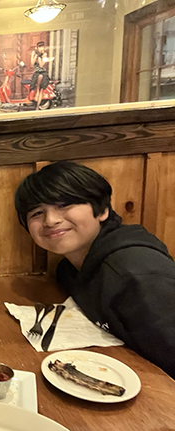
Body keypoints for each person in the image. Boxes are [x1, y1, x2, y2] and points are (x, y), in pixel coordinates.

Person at [14, 160, 175, 378]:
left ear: (102, 210)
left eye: (64, 205)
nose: (50, 220)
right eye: (37, 213)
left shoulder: (135, 274)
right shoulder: (70, 270)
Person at [31, 41, 50, 110]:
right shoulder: (34, 53)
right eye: (40, 47)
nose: (41, 48)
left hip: (42, 72)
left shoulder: (44, 54)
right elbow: (32, 63)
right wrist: (36, 55)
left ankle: (38, 106)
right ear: (37, 47)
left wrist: (40, 56)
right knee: (37, 85)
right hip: (36, 72)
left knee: (41, 87)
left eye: (42, 46)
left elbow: (41, 65)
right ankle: (36, 97)